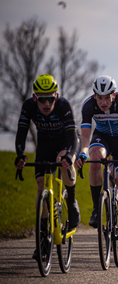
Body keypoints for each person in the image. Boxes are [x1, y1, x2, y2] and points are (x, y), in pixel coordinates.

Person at [15, 74, 81, 259]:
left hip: (66, 142)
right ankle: (43, 242)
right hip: (44, 145)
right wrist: (20, 154)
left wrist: (68, 155)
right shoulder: (28, 106)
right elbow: (21, 132)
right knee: (41, 185)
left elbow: (72, 137)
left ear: (56, 96)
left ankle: (71, 200)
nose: (46, 103)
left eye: (50, 99)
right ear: (34, 98)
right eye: (41, 99)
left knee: (62, 159)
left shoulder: (63, 106)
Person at [75, 75, 118, 250]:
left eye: (107, 98)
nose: (103, 102)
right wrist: (83, 153)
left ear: (113, 95)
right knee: (95, 159)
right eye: (99, 98)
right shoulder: (88, 105)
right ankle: (96, 209)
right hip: (102, 138)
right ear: (94, 96)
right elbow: (85, 136)